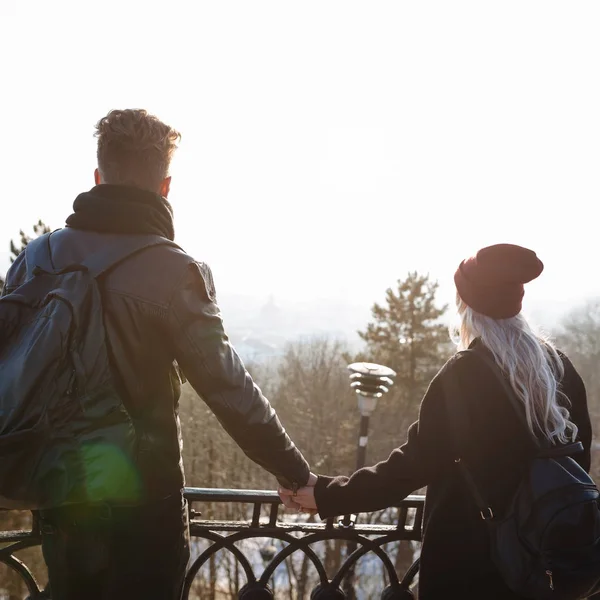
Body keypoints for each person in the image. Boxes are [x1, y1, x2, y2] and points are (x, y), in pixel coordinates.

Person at [2, 108, 316, 600]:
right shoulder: (174, 272)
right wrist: (296, 474)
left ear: (98, 176)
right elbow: (230, 389)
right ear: (165, 186)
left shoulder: (38, 257)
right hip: (145, 502)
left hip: (61, 493)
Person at [280, 243, 593, 600]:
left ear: (466, 304)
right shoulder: (559, 369)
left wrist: (326, 494)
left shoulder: (464, 376)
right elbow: (578, 463)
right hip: (545, 566)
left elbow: (410, 468)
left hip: (469, 566)